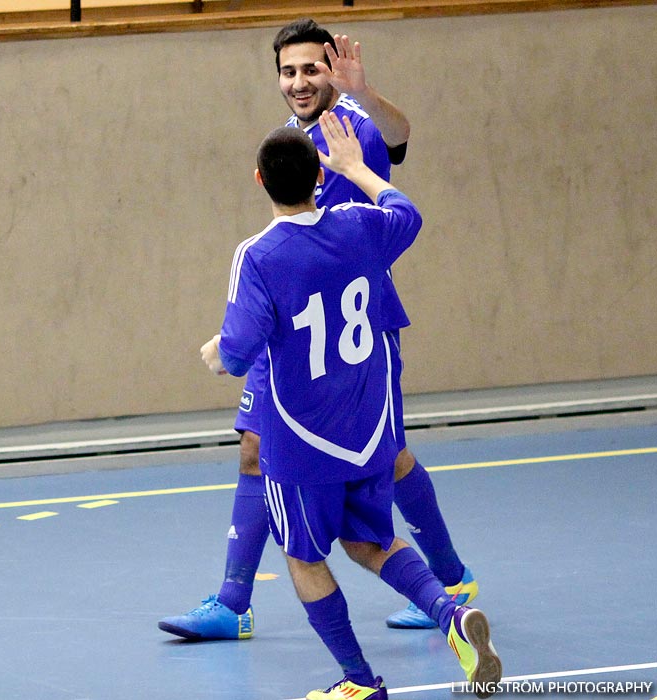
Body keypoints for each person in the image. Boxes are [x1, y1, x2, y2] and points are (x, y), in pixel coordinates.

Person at [158, 18, 475, 641]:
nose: (300, 81)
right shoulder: (294, 137)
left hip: (356, 329)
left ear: (334, 68)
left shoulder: (351, 125)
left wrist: (366, 92)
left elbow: (399, 137)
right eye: (288, 71)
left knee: (389, 456)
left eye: (312, 68)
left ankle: (452, 580)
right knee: (255, 446)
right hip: (299, 330)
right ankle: (232, 601)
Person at [199, 115, 502, 700]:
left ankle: (362, 682)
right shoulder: (359, 225)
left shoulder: (257, 255)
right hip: (366, 427)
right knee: (371, 542)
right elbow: (408, 216)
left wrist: (217, 353)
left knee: (304, 557)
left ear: (258, 180)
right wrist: (358, 169)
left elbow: (237, 354)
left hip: (302, 440)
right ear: (319, 175)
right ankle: (450, 616)